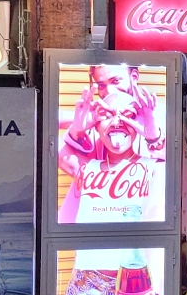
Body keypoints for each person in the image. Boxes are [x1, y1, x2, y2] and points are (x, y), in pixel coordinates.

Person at [58, 88, 163, 223]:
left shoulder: (156, 168)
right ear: (96, 125)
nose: (116, 122)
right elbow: (36, 120)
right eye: (108, 115)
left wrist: (154, 137)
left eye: (128, 116)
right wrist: (78, 124)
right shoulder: (85, 169)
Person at [59, 65, 165, 184]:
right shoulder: (96, 119)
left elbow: (179, 172)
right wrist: (77, 124)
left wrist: (155, 139)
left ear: (134, 77)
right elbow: (42, 121)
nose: (109, 91)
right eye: (101, 85)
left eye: (115, 81)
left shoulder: (161, 115)